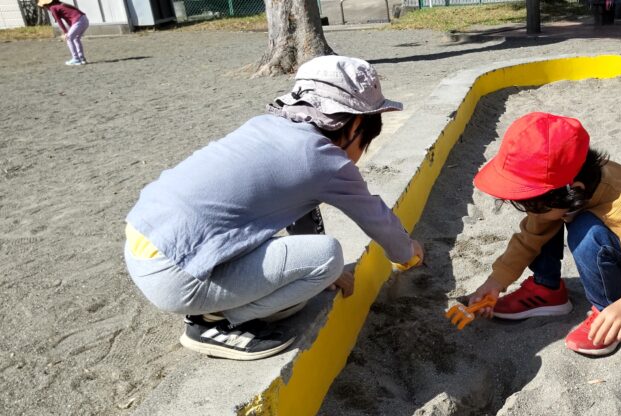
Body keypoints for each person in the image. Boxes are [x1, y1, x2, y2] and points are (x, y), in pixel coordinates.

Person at [124, 56, 423, 361]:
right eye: (366, 142)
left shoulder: (266, 126)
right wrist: (406, 253)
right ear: (356, 123)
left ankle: (215, 310)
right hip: (173, 277)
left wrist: (319, 273)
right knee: (329, 257)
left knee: (305, 286)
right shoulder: (326, 160)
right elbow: (376, 218)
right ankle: (216, 323)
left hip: (143, 243)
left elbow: (299, 206)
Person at [468, 112, 621, 357]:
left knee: (586, 231)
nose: (530, 211)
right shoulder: (565, 187)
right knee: (546, 220)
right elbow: (531, 234)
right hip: (618, 246)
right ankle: (547, 289)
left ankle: (608, 313)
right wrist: (496, 281)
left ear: (575, 191)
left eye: (532, 204)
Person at [38, 0, 89, 65]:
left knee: (69, 38)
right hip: (84, 19)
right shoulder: (61, 4)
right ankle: (82, 58)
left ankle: (76, 59)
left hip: (78, 21)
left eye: (43, 7)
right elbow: (70, 17)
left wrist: (65, 32)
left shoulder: (52, 8)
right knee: (76, 38)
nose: (45, 8)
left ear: (46, 5)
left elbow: (59, 21)